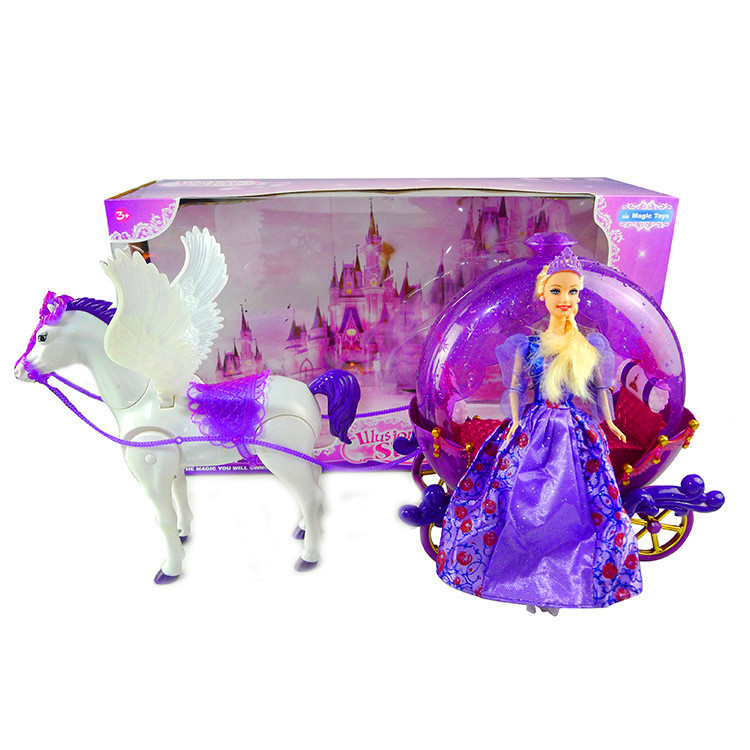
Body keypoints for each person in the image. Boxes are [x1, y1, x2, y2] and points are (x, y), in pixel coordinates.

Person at [437, 248, 642, 613]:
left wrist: (609, 422)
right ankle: (520, 574)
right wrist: (516, 422)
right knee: (515, 490)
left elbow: (600, 390)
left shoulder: (586, 346)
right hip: (533, 424)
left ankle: (563, 576)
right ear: (542, 294)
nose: (566, 298)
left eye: (573, 291)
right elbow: (515, 389)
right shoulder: (528, 344)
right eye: (557, 290)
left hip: (572, 427)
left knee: (577, 497)